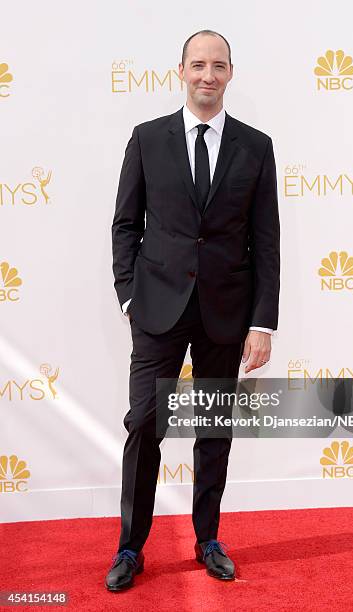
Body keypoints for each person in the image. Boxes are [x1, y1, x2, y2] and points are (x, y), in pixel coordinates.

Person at [106, 29, 280, 591]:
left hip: (225, 313)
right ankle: (131, 547)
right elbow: (126, 224)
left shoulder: (256, 147)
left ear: (231, 73)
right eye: (198, 64)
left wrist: (262, 321)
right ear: (180, 70)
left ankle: (208, 538)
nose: (208, 75)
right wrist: (131, 294)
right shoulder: (147, 138)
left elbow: (265, 240)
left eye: (219, 65)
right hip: (157, 309)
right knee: (143, 427)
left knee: (214, 431)